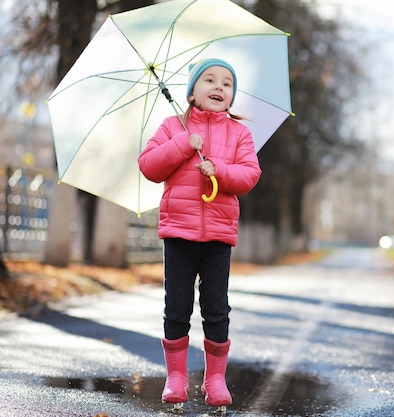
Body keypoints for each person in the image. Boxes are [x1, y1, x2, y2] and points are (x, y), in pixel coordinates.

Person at [138, 58, 261, 409]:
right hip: (179, 232)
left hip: (219, 236)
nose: (219, 87)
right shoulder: (173, 126)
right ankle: (176, 377)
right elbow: (148, 166)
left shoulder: (240, 134)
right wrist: (183, 145)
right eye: (209, 80)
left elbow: (249, 176)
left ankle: (215, 379)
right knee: (176, 305)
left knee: (216, 307)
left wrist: (217, 169)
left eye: (227, 83)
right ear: (192, 91)